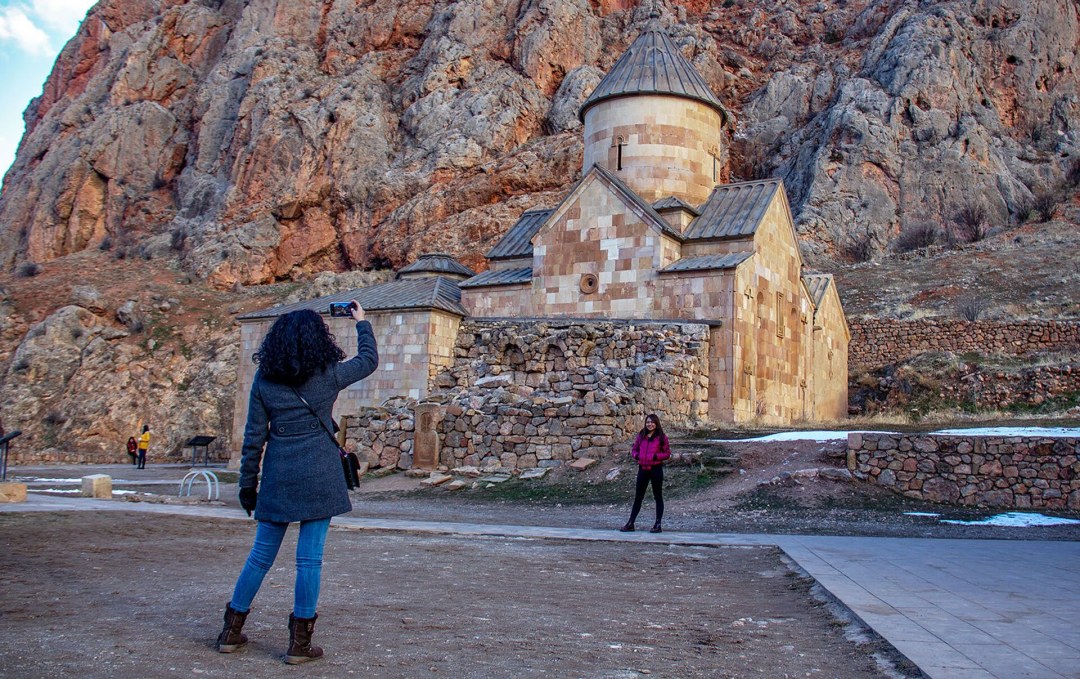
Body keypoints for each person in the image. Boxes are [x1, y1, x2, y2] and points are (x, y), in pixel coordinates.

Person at [217, 301, 377, 664]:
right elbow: (368, 360)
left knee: (260, 557)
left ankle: (231, 630)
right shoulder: (328, 374)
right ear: (317, 339)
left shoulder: (265, 379)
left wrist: (247, 485)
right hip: (320, 473)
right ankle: (299, 645)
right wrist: (361, 323)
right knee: (309, 561)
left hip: (279, 474)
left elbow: (254, 435)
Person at [619, 413, 671, 534]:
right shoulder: (641, 435)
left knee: (658, 496)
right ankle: (631, 523)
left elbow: (667, 453)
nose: (650, 424)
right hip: (642, 469)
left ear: (656, 423)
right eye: (648, 422)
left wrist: (655, 457)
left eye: (652, 422)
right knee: (638, 497)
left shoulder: (662, 437)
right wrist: (637, 456)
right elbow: (634, 449)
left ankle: (658, 524)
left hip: (656, 469)